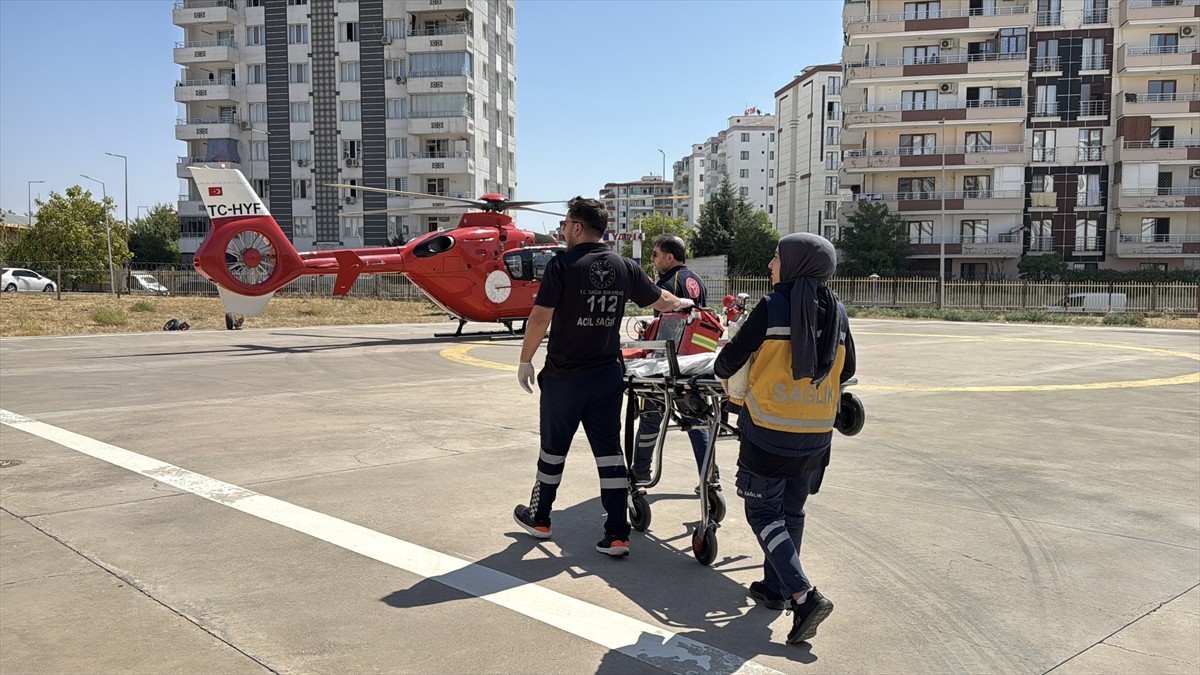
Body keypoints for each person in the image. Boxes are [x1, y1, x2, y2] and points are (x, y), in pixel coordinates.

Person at [513, 197, 695, 557]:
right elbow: (660, 299)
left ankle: (540, 518)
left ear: (577, 227)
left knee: (552, 452)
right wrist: (684, 304)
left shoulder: (562, 265)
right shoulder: (625, 266)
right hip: (606, 378)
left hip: (565, 379)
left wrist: (525, 359)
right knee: (610, 454)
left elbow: (539, 316)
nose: (563, 230)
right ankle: (616, 534)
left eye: (566, 224)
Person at [713, 232, 856, 645]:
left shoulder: (773, 306)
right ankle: (774, 589)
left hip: (770, 430)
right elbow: (846, 372)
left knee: (762, 514)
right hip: (816, 435)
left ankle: (803, 594)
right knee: (791, 512)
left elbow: (729, 358)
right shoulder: (839, 312)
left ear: (793, 264)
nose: (771, 266)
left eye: (775, 258)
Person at [630, 234, 715, 488]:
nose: (653, 260)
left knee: (650, 416)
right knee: (697, 419)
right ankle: (710, 476)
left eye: (655, 255)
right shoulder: (696, 280)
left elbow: (664, 325)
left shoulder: (668, 282)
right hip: (697, 360)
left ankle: (641, 471)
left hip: (670, 364)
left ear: (669, 256)